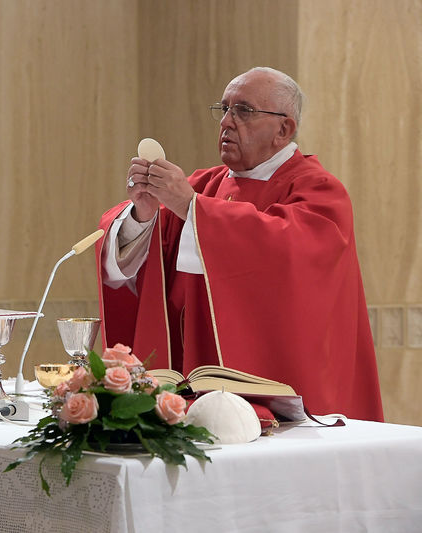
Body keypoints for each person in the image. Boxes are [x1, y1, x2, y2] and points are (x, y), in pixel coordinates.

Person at [95, 67, 383, 421]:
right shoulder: (202, 185)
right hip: (194, 386)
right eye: (224, 109)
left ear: (284, 129)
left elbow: (290, 254)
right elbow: (138, 260)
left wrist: (193, 209)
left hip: (285, 390)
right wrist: (143, 212)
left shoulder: (319, 190)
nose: (226, 122)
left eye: (244, 111)